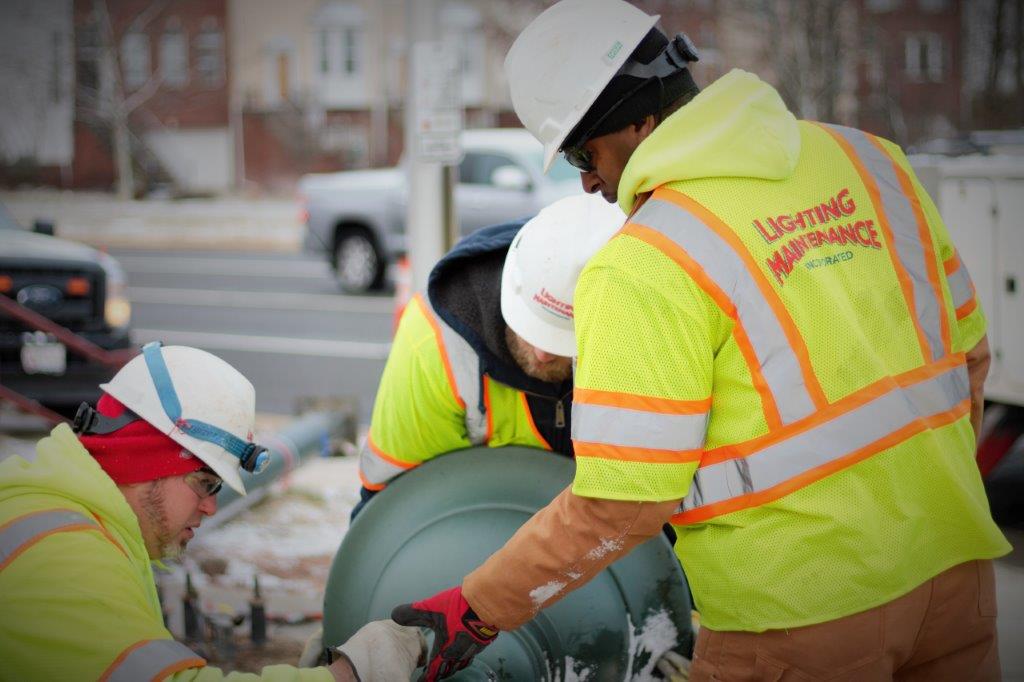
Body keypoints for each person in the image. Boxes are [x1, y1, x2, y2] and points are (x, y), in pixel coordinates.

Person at [393, 1, 1010, 680]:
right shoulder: (872, 161)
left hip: (794, 621)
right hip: (955, 582)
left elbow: (620, 501)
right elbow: (969, 357)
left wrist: (474, 609)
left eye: (581, 152)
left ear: (638, 119)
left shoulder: (648, 261)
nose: (589, 182)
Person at [0, 342, 423, 681]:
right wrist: (347, 674)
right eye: (205, 483)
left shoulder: (77, 521)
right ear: (146, 462)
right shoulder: (62, 557)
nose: (211, 506)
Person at [353, 193, 623, 518]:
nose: (543, 353)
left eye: (564, 340)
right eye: (532, 327)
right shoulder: (434, 343)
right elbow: (391, 501)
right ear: (512, 285)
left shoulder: (645, 333)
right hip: (470, 527)